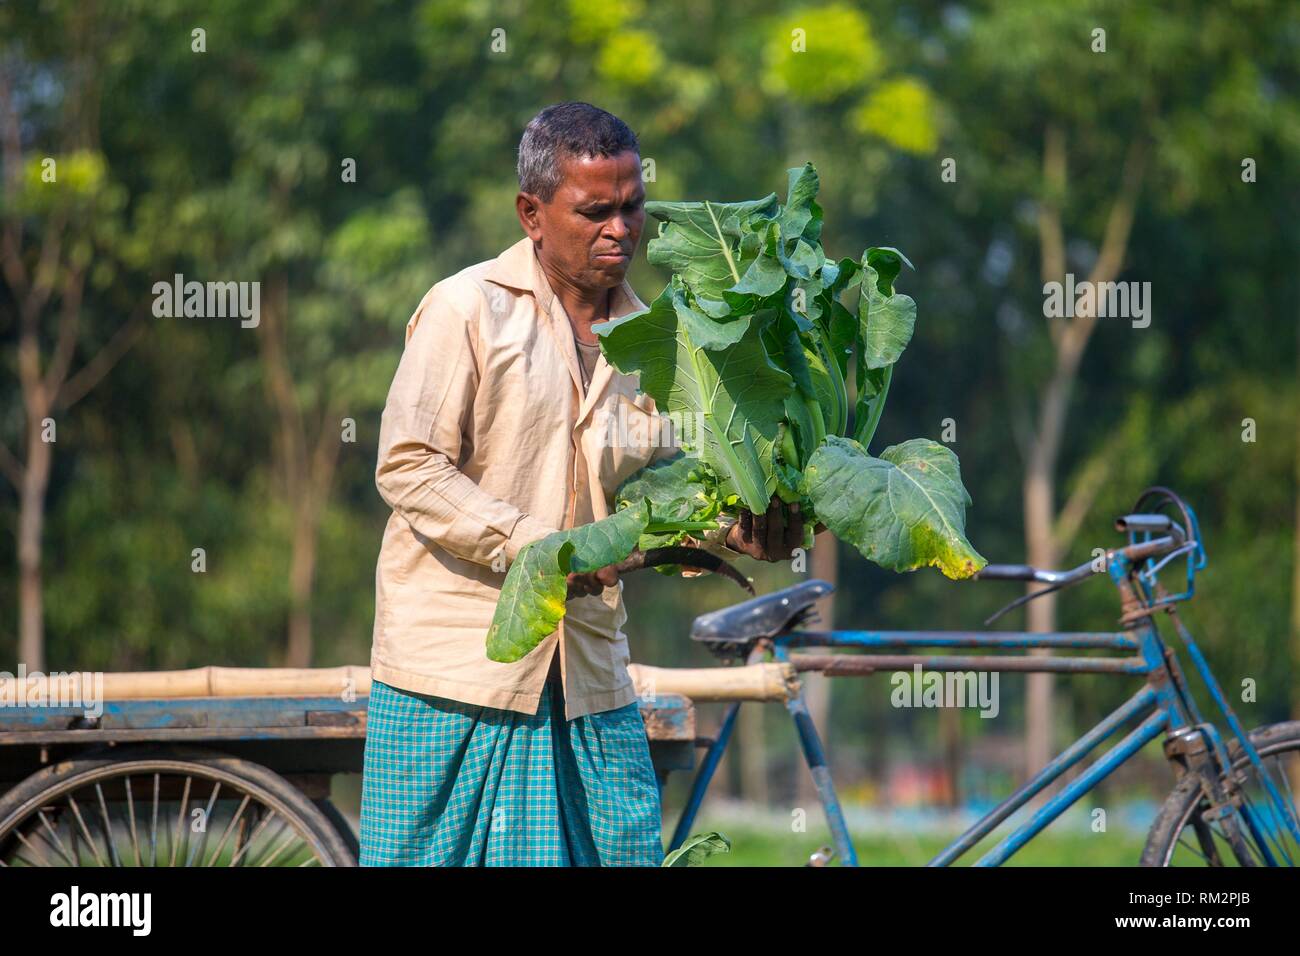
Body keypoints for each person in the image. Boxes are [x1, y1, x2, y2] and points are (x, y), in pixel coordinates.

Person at [359, 102, 804, 866]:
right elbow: (408, 464)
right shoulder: (465, 310)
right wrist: (544, 550)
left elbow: (672, 491)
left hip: (590, 669)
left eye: (632, 208)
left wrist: (737, 527)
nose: (621, 229)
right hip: (457, 669)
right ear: (531, 213)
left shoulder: (662, 335)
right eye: (595, 211)